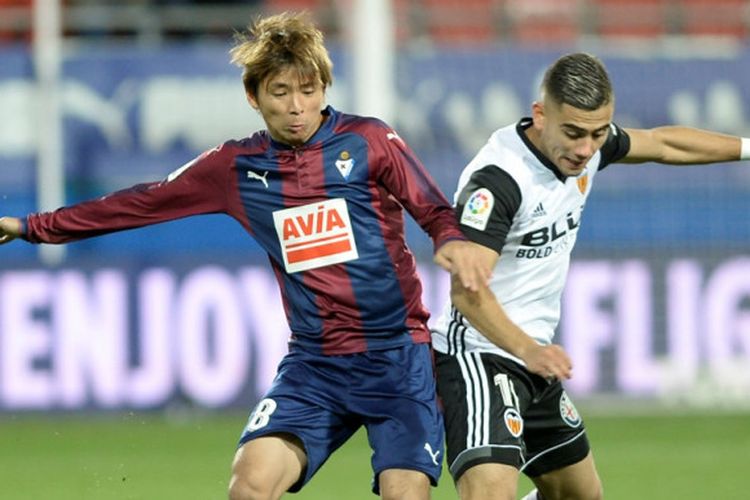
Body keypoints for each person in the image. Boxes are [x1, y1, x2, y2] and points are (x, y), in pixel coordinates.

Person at [0, 12, 490, 500]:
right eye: (281, 93)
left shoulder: (369, 141)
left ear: (325, 87)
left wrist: (451, 242)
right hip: (315, 366)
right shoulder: (235, 167)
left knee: (405, 495)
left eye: (309, 90)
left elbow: (434, 208)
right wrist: (31, 227)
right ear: (253, 97)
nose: (298, 107)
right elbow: (142, 201)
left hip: (398, 359)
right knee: (250, 485)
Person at [430, 52, 750, 500]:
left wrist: (748, 147)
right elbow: (467, 295)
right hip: (479, 356)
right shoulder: (499, 181)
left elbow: (663, 143)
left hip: (534, 358)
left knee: (582, 496)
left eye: (598, 134)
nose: (585, 149)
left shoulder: (588, 150)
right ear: (541, 115)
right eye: (574, 133)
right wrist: (528, 349)